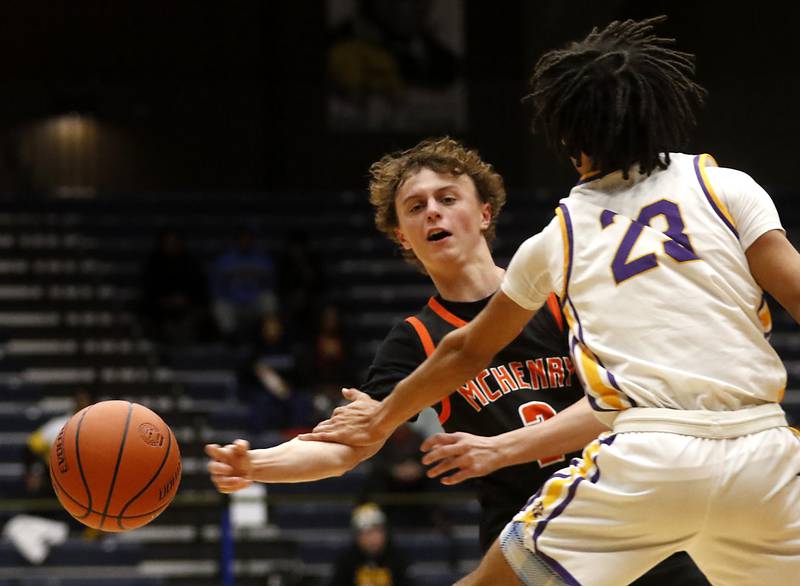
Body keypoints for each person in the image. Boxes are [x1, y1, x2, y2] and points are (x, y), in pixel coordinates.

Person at [303, 16, 800, 585]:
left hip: (648, 454)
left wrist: (383, 417)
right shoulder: (726, 185)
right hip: (765, 456)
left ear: (568, 138)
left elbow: (466, 350)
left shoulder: (558, 237)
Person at [206, 137, 606, 553]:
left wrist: (498, 450)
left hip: (613, 506)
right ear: (402, 237)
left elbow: (616, 405)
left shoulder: (557, 292)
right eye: (416, 207)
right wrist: (255, 464)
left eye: (448, 198)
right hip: (525, 530)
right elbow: (345, 447)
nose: (432, 210)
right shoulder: (415, 339)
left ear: (485, 213)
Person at [328, 502, 408, 586]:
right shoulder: (346, 562)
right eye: (367, 533)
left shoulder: (398, 560)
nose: (373, 538)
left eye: (378, 531)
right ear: (357, 536)